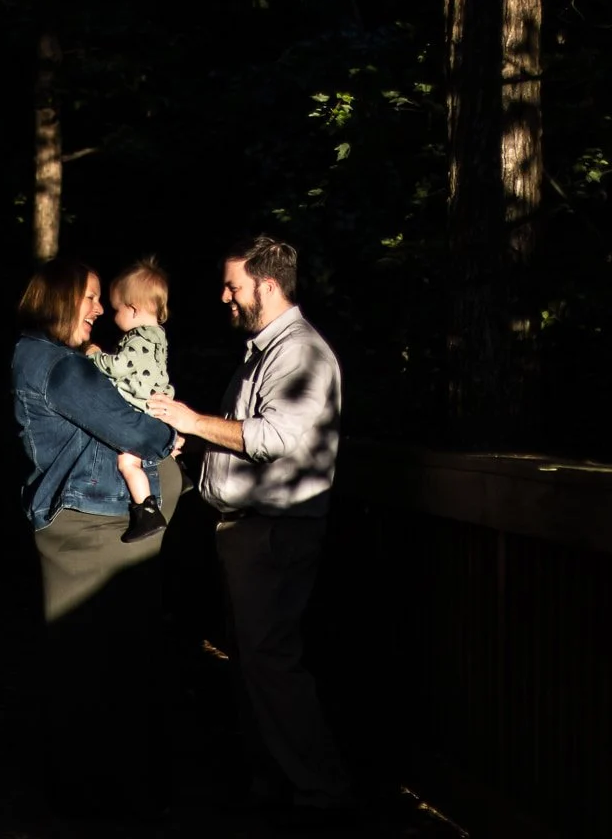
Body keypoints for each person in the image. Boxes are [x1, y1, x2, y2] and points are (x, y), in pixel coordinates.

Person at [147, 235, 354, 820]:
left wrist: (192, 418)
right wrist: (189, 434)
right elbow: (242, 432)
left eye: (232, 285)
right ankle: (278, 786)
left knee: (270, 662)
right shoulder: (264, 350)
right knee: (255, 662)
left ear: (267, 285)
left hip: (273, 533)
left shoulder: (302, 354)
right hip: (246, 530)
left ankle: (320, 793)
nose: (224, 296)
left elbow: (276, 438)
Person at [11, 257, 183, 811]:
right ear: (60, 300)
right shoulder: (62, 368)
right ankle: (99, 793)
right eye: (87, 297)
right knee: (102, 661)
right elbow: (132, 426)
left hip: (92, 523)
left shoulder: (40, 355)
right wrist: (168, 432)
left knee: (89, 658)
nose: (97, 309)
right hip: (93, 528)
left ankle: (92, 785)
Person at [85, 257, 174, 544]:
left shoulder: (138, 339)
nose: (113, 317)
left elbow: (119, 367)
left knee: (128, 464)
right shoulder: (158, 337)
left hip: (139, 410)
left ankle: (147, 510)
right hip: (155, 408)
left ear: (133, 309)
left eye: (116, 310)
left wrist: (95, 357)